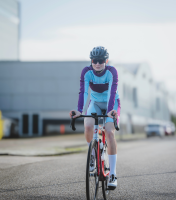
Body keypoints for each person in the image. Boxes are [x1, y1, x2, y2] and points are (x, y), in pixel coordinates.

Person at [69, 46, 120, 189]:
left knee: (109, 132)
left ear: (106, 60)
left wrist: (110, 111)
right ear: (91, 61)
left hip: (112, 103)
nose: (97, 63)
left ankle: (113, 174)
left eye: (101, 60)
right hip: (95, 103)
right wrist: (79, 110)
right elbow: (83, 91)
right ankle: (92, 154)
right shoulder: (87, 72)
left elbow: (112, 92)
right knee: (88, 126)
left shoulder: (112, 72)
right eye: (94, 60)